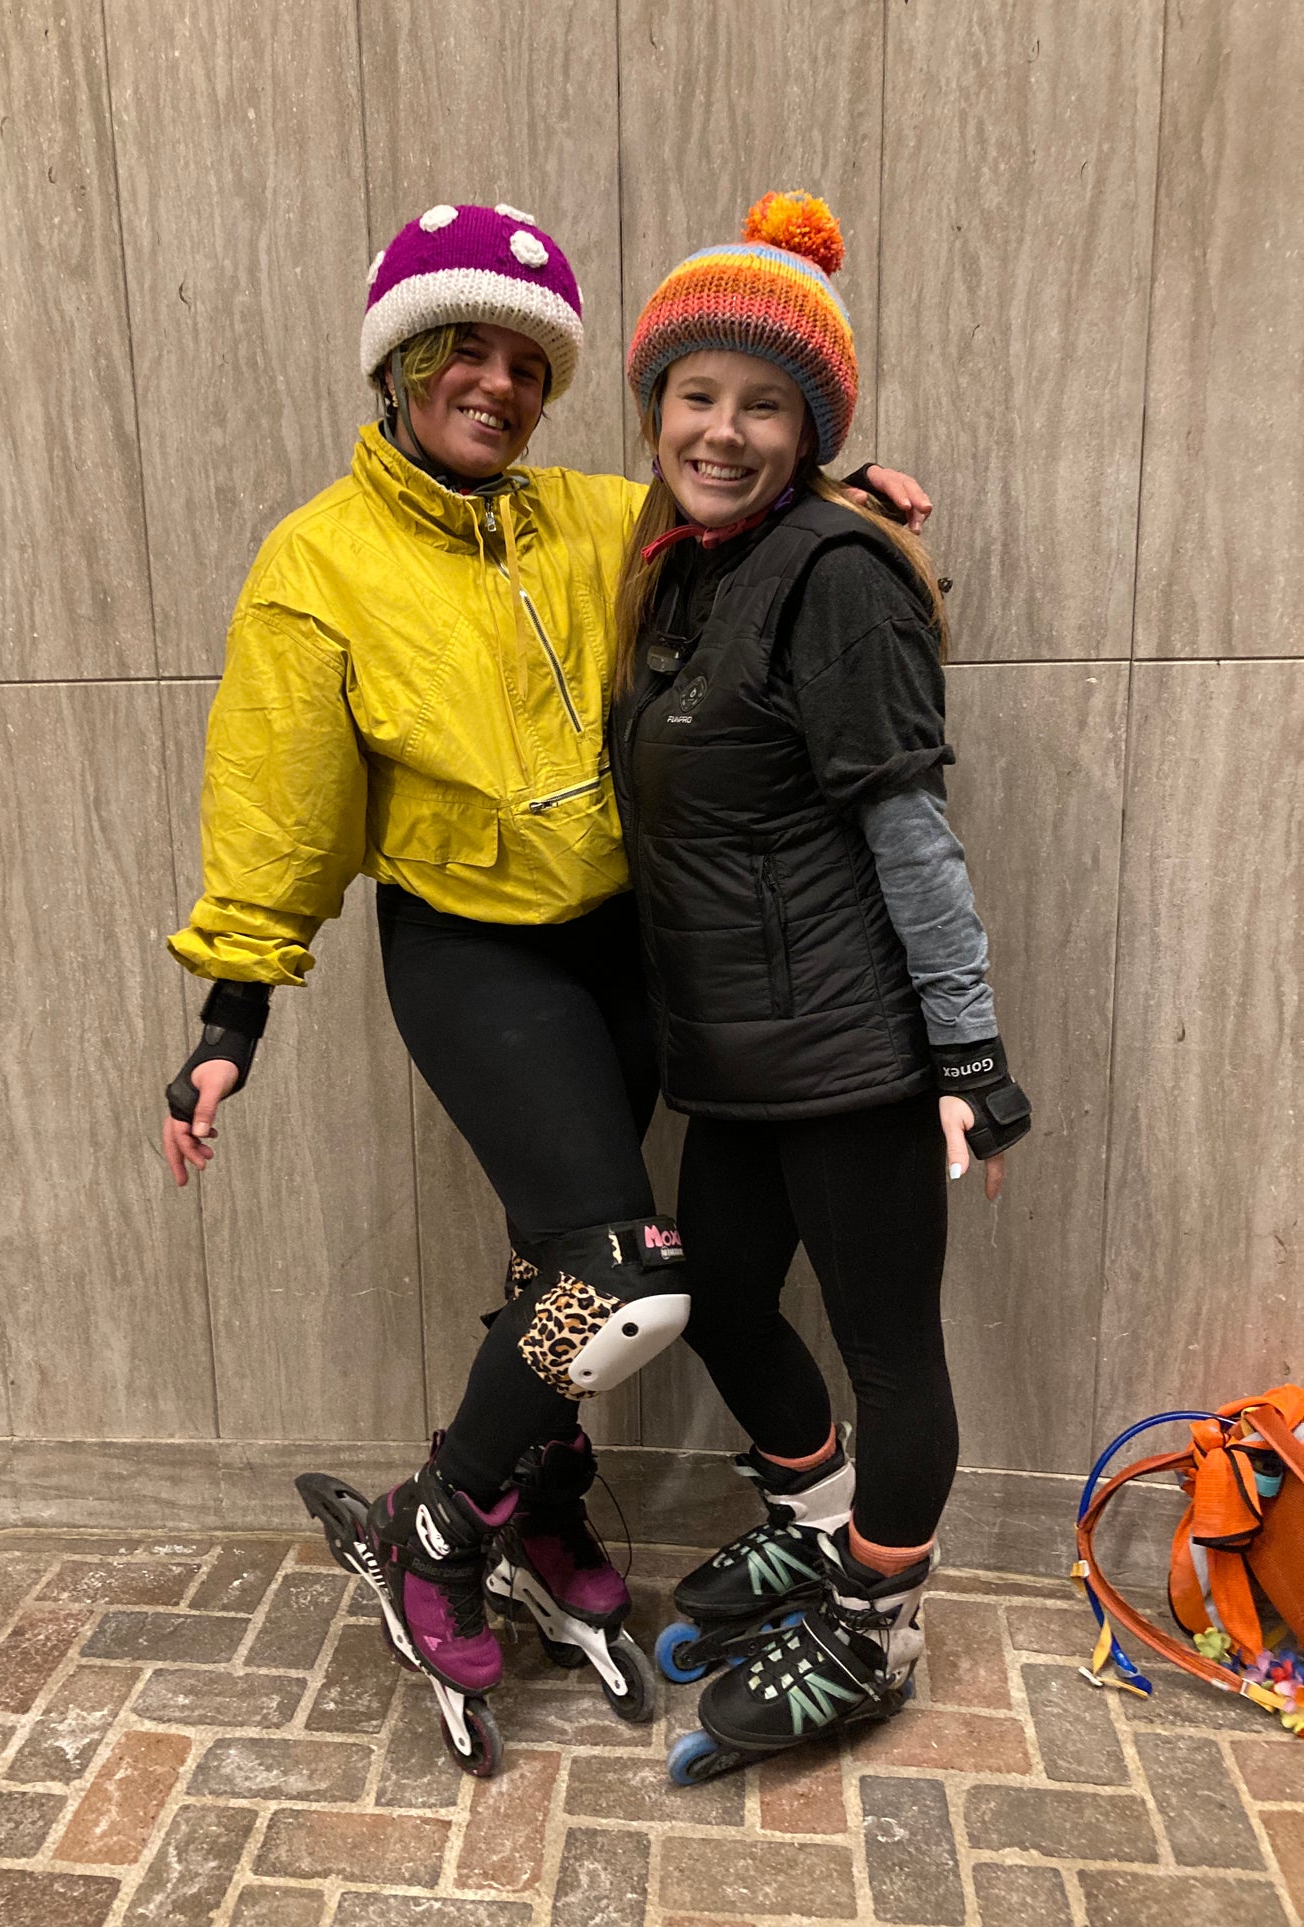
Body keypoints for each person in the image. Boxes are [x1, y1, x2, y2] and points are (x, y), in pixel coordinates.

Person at [160, 200, 931, 1756]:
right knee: (628, 1273)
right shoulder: (321, 562)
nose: (495, 385)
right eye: (462, 350)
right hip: (470, 953)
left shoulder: (592, 516)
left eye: (525, 362)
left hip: (625, 951)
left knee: (560, 1273)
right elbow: (279, 799)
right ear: (398, 362)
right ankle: (436, 1525)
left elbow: (733, 495)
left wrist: (840, 493)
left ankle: (541, 1494)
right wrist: (230, 1010)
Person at [608, 191, 1031, 1781]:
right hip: (733, 1047)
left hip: (850, 1051)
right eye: (696, 395)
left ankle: (881, 1620)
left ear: (812, 426)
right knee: (717, 1295)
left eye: (764, 403)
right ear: (654, 410)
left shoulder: (833, 576)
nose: (721, 428)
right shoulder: (696, 567)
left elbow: (910, 837)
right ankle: (818, 1520)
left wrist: (968, 1057)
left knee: (886, 1343)